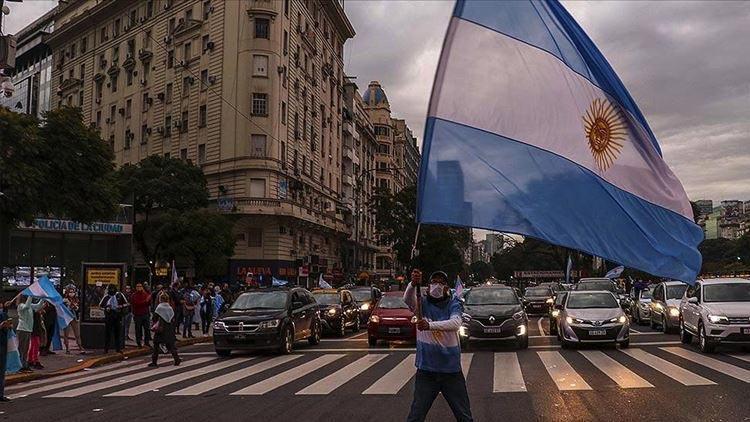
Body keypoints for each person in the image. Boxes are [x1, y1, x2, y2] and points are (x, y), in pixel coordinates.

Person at [403, 269, 473, 422]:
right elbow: (408, 300)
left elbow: (455, 323)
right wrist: (412, 284)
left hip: (451, 371)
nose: (437, 285)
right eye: (434, 282)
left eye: (441, 282)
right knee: (416, 415)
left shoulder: (453, 303)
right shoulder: (422, 304)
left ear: (447, 287)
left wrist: (429, 325)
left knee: (464, 416)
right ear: (428, 286)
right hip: (426, 370)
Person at [13, 296, 45, 372]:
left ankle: (24, 364)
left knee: (25, 348)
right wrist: (31, 295)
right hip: (22, 329)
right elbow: (26, 306)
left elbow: (38, 306)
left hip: (28, 330)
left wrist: (43, 298)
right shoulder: (20, 306)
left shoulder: (29, 305)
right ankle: (21, 365)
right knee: (22, 349)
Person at [150, 293, 181, 367]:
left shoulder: (159, 307)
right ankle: (176, 359)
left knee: (156, 345)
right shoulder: (169, 307)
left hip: (161, 328)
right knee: (171, 345)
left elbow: (155, 317)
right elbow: (172, 317)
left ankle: (154, 361)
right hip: (169, 328)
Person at [98, 284, 128, 353]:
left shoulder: (119, 295)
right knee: (107, 334)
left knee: (117, 333)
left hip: (117, 316)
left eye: (113, 289)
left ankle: (118, 348)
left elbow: (127, 304)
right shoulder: (106, 297)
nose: (112, 290)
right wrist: (106, 308)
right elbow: (100, 306)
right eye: (110, 289)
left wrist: (120, 306)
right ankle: (106, 349)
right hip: (109, 316)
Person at [62, 286, 85, 354]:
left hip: (74, 318)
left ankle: (80, 346)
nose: (72, 293)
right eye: (70, 292)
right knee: (66, 334)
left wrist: (74, 306)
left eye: (73, 292)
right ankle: (67, 348)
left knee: (77, 334)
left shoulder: (76, 300)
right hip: (66, 318)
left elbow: (77, 308)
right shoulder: (64, 300)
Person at [0, 301, 15, 402]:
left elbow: (9, 327)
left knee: (1, 371)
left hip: (2, 344)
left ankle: (1, 394)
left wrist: (8, 326)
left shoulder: (3, 314)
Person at [130, 283, 152, 348]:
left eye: (140, 286)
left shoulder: (145, 294)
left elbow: (149, 303)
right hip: (137, 315)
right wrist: (145, 301)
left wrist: (148, 301)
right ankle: (139, 343)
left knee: (147, 329)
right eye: (138, 286)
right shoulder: (134, 295)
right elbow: (136, 303)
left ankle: (146, 342)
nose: (139, 287)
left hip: (145, 314)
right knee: (138, 329)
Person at [28, 304, 45, 369]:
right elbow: (38, 306)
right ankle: (35, 360)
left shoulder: (35, 310)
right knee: (36, 344)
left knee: (33, 345)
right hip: (34, 329)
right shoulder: (33, 309)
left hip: (35, 328)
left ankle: (30, 359)